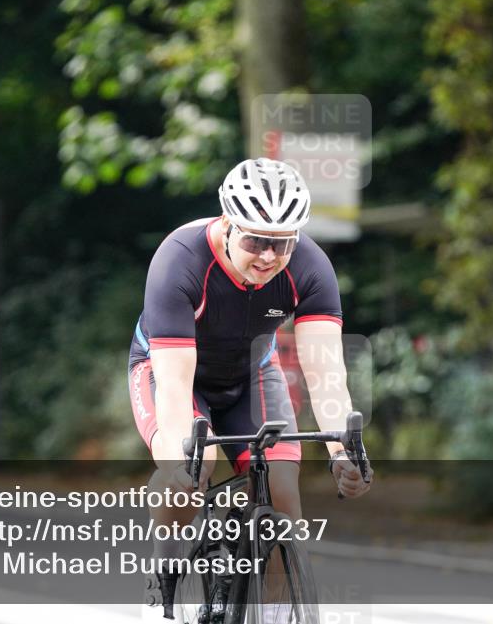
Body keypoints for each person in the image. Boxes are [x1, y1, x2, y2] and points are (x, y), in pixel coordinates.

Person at [128, 158, 372, 620]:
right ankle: (163, 581)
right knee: (195, 472)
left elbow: (326, 375)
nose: (268, 255)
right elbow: (177, 384)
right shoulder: (180, 258)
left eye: (281, 243)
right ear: (227, 224)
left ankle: (275, 613)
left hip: (250, 374)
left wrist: (344, 453)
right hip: (171, 372)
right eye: (255, 239)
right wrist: (181, 459)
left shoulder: (310, 267)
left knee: (282, 487)